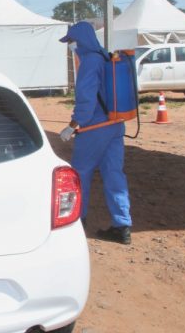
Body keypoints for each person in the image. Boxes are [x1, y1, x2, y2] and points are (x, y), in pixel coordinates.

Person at [59, 21, 133, 245]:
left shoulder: (89, 62)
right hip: (115, 124)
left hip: (94, 128)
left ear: (80, 40)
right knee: (114, 175)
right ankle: (122, 226)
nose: (71, 46)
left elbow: (87, 99)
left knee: (80, 174)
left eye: (71, 41)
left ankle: (77, 222)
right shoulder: (104, 56)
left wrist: (73, 125)